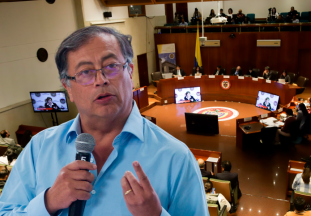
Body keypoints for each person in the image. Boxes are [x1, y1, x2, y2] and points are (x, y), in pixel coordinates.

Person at [0, 26, 209, 215]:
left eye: (111, 66)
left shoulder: (177, 158)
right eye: (85, 72)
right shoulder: (39, 149)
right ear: (68, 88)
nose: (101, 80)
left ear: (130, 71)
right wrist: (48, 202)